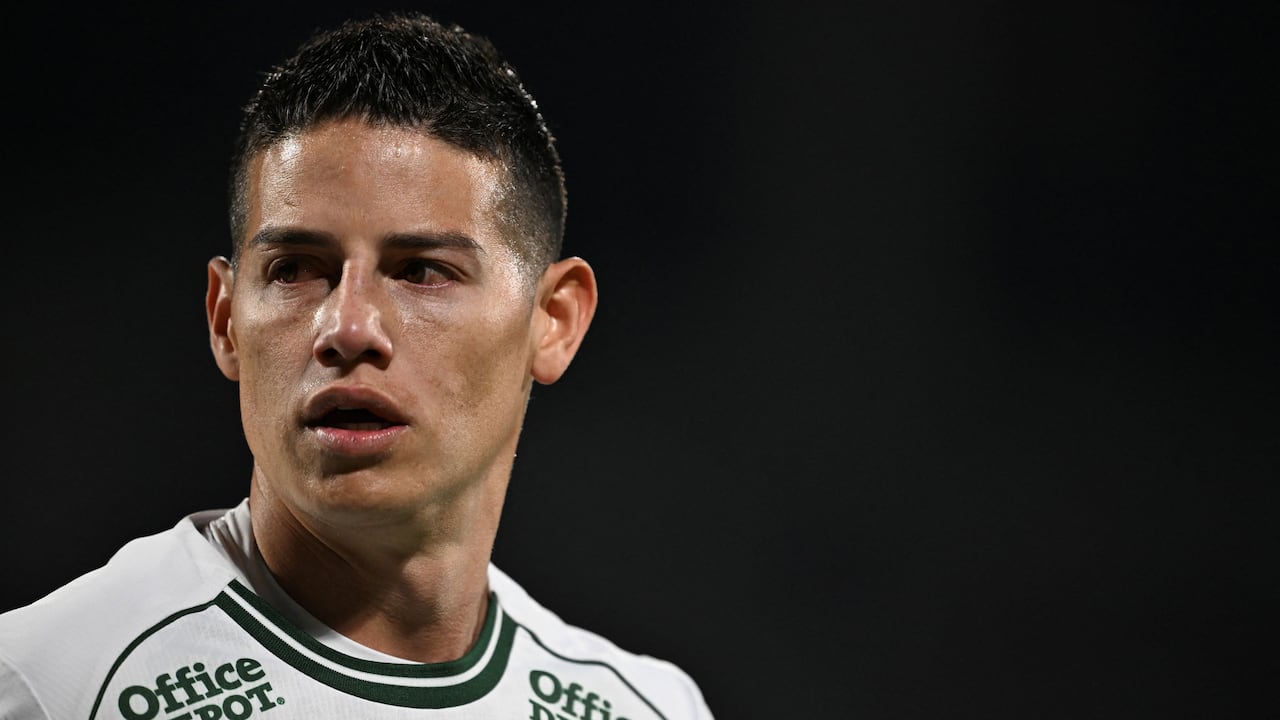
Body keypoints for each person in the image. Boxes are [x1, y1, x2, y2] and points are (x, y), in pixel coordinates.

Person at [0, 12, 713, 720]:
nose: (348, 328)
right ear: (225, 320)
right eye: (295, 270)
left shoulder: (645, 707)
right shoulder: (51, 682)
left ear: (552, 321)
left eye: (424, 271)